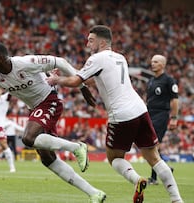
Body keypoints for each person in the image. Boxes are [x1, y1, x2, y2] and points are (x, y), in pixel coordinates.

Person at [0, 42, 107, 203]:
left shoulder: (25, 63)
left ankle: (77, 147)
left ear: (0, 58)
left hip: (49, 101)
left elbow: (60, 62)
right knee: (47, 159)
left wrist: (81, 85)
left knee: (28, 138)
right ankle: (94, 193)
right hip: (35, 108)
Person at [46, 25, 183, 203]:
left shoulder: (97, 58)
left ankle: (136, 180)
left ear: (102, 42)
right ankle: (177, 199)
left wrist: (57, 80)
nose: (87, 43)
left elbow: (74, 81)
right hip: (140, 109)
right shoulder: (120, 57)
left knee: (115, 158)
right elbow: (103, 81)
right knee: (154, 157)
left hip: (121, 114)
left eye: (91, 40)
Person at [146, 54, 179, 185]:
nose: (152, 63)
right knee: (150, 146)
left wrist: (174, 118)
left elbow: (175, 100)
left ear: (163, 65)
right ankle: (165, 168)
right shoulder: (151, 80)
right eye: (152, 61)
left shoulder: (169, 80)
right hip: (149, 114)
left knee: (153, 145)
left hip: (161, 115)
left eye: (156, 62)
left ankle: (154, 178)